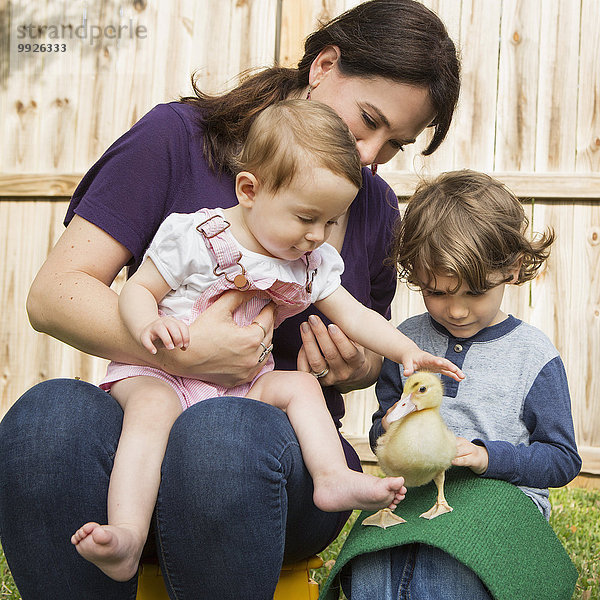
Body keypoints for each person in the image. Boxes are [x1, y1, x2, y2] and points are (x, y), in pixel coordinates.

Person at [0, 1, 461, 598]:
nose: (372, 155)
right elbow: (54, 295)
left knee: (222, 434)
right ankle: (118, 542)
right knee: (46, 420)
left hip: (266, 473)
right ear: (324, 66)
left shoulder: (370, 201)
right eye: (368, 120)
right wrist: (186, 353)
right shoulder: (176, 140)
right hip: (147, 442)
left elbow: (365, 335)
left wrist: (357, 366)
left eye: (395, 143)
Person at [70, 100, 467, 582]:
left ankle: (331, 478)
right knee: (150, 412)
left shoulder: (307, 261)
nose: (317, 236)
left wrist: (405, 351)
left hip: (238, 389)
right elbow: (137, 289)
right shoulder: (199, 235)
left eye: (329, 222)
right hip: (161, 374)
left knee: (299, 387)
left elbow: (355, 314)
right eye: (306, 218)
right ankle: (127, 536)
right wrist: (147, 327)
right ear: (249, 190)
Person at [342, 170, 582, 600]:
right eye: (436, 292)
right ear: (414, 274)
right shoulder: (406, 342)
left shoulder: (533, 354)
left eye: (473, 292)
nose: (455, 310)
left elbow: (562, 460)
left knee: (445, 570)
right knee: (371, 567)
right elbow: (383, 424)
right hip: (416, 488)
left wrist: (486, 456)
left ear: (511, 269)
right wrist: (391, 430)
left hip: (500, 493)